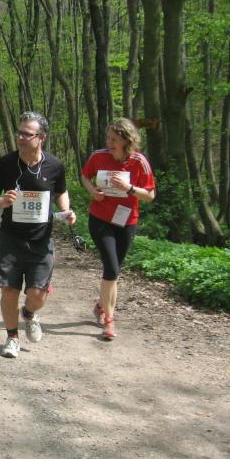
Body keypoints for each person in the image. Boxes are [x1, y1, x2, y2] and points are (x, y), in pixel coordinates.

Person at [0, 111, 76, 358]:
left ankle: (29, 313)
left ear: (41, 137)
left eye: (27, 134)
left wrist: (66, 211)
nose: (20, 137)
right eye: (19, 133)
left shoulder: (54, 165)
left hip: (41, 240)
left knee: (38, 295)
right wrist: (2, 201)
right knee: (9, 290)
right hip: (10, 238)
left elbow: (61, 192)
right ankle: (12, 337)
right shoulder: (5, 163)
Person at [80, 118, 155, 340]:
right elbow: (85, 176)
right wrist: (92, 190)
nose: (109, 143)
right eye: (108, 138)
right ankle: (109, 320)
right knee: (111, 269)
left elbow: (150, 195)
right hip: (100, 219)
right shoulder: (98, 156)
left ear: (126, 140)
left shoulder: (139, 161)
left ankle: (101, 305)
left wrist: (129, 188)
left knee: (114, 271)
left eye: (114, 139)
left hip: (126, 221)